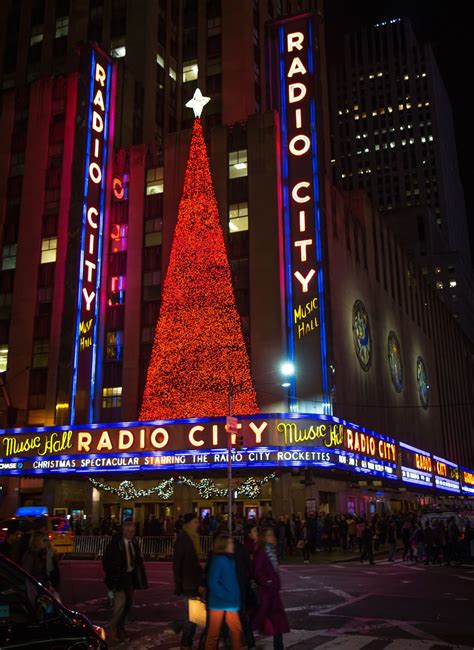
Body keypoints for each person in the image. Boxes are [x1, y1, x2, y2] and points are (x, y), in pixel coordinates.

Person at [102, 519, 148, 643]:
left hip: (130, 578)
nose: (131, 533)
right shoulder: (116, 543)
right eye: (128, 531)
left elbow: (137, 561)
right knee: (120, 606)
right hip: (119, 578)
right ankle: (112, 630)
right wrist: (112, 575)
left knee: (128, 605)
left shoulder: (134, 542)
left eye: (133, 531)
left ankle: (120, 629)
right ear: (123, 529)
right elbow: (107, 561)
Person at [251, 528, 289, 650]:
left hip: (272, 593)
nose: (272, 537)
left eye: (272, 534)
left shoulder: (271, 551)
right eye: (268, 535)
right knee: (261, 620)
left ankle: (278, 646)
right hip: (267, 593)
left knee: (276, 623)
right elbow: (258, 571)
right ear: (263, 537)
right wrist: (269, 582)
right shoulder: (262, 552)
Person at [204, 534, 242, 650]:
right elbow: (212, 582)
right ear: (224, 545)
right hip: (221, 602)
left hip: (227, 602)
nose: (233, 545)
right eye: (230, 543)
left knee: (234, 630)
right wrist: (226, 595)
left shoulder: (229, 559)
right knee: (215, 633)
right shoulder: (220, 560)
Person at [173, 513, 204, 650]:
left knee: (194, 615)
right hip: (188, 583)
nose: (198, 525)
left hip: (193, 582)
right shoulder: (183, 539)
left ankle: (179, 629)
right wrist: (179, 583)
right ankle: (186, 643)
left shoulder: (193, 538)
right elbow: (177, 563)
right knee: (193, 616)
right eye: (195, 522)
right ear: (188, 523)